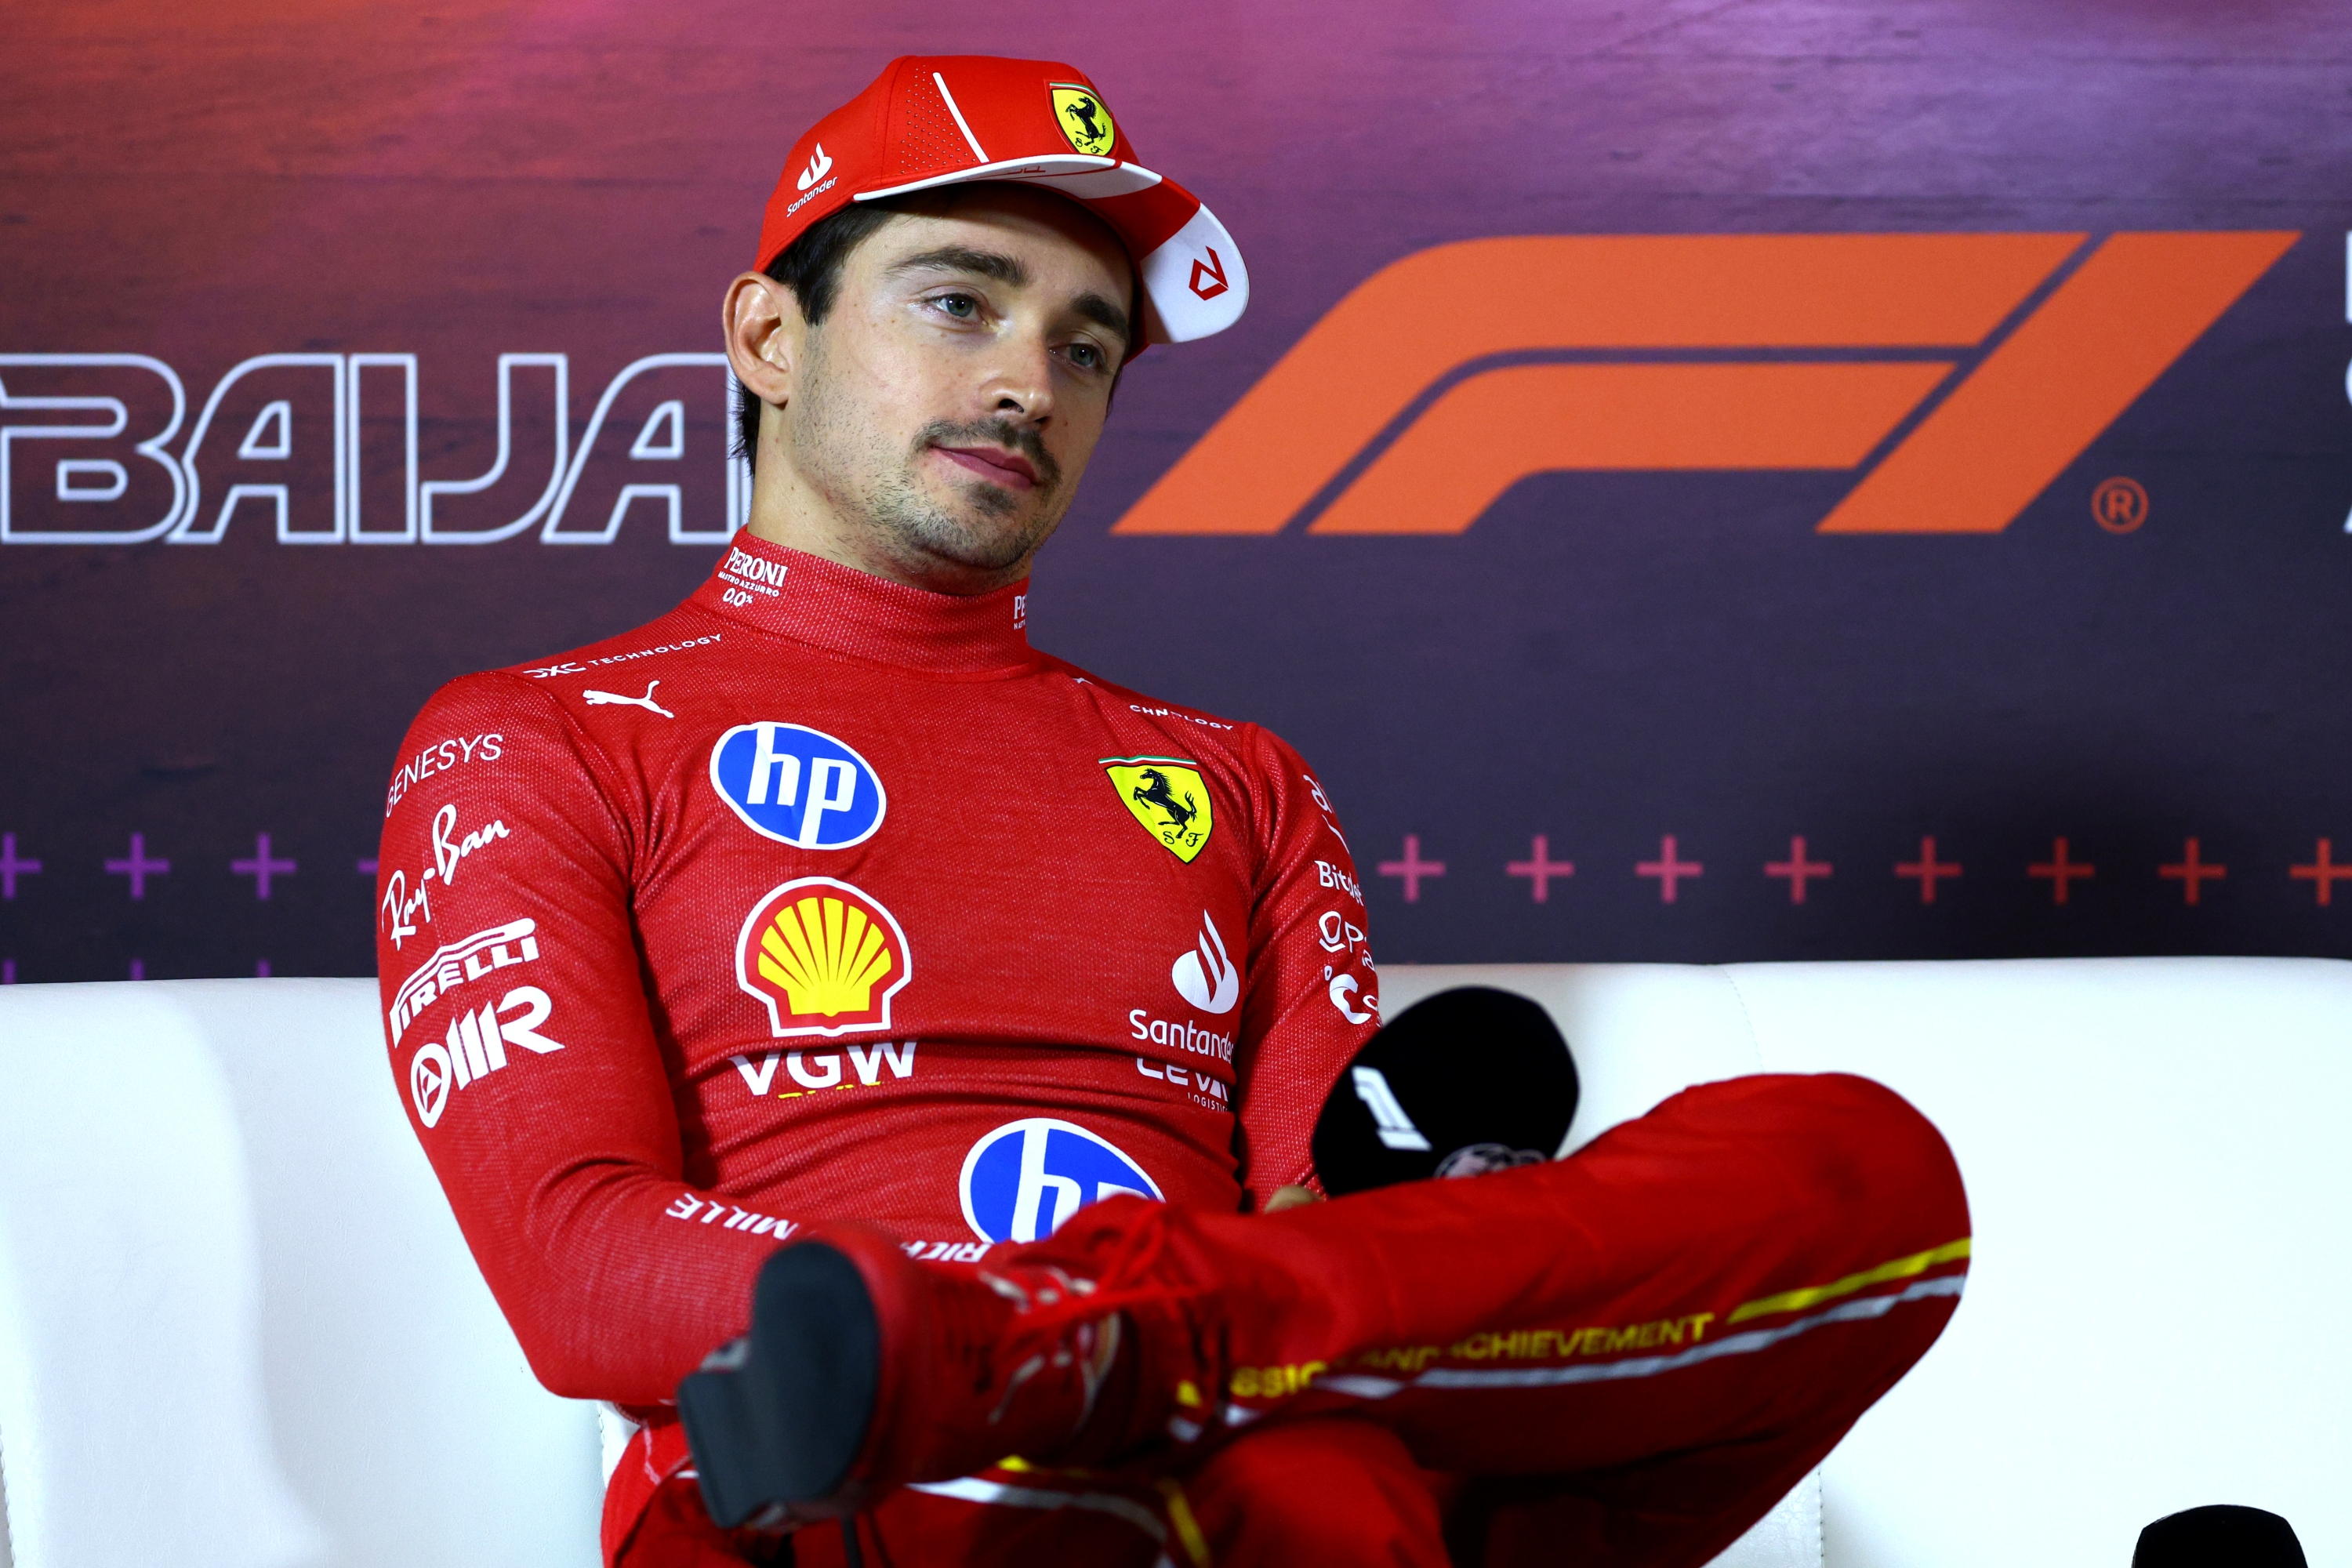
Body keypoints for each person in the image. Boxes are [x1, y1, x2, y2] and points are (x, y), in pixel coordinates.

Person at [372, 54, 1969, 1568]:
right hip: (848, 1489)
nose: (1026, 384)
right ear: (768, 337)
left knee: (1868, 1166)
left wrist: (1170, 1327)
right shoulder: (538, 734)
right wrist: (977, 1327)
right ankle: (1095, 1364)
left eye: (1084, 346)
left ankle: (1122, 1353)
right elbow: (579, 1270)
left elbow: (1327, 1239)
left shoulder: (1235, 777)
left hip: (1249, 1434)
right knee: (1297, 1480)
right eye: (958, 303)